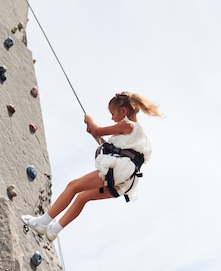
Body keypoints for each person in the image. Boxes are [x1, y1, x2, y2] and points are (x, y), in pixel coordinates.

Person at [22, 92, 162, 241]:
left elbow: (98, 129)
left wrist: (90, 121)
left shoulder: (127, 125)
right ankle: (53, 231)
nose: (112, 118)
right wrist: (93, 134)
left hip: (119, 171)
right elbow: (109, 146)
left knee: (73, 186)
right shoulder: (135, 132)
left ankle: (42, 223)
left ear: (123, 111)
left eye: (113, 113)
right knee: (83, 197)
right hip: (127, 181)